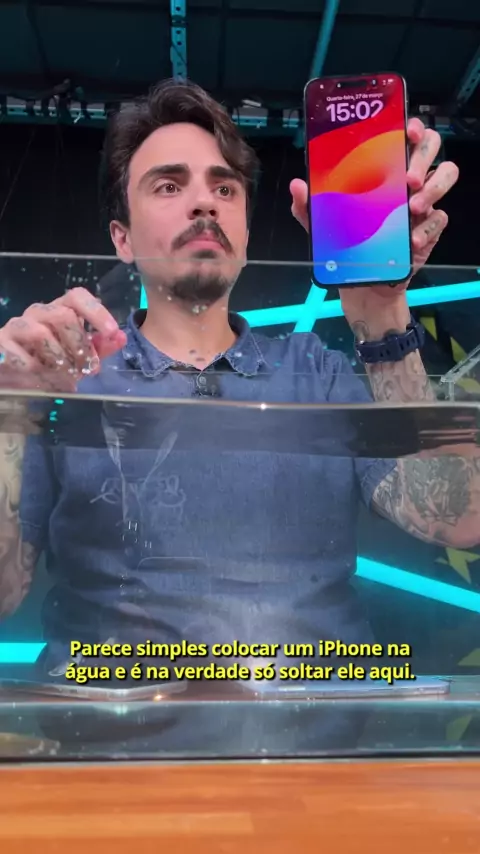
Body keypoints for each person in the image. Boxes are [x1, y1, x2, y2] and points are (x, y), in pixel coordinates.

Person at [0, 78, 477, 691]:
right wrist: (10, 406)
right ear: (122, 239)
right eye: (169, 185)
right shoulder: (67, 380)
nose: (205, 203)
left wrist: (381, 312)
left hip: (315, 737)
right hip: (109, 737)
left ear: (247, 235)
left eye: (224, 188)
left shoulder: (316, 374)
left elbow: (461, 518)